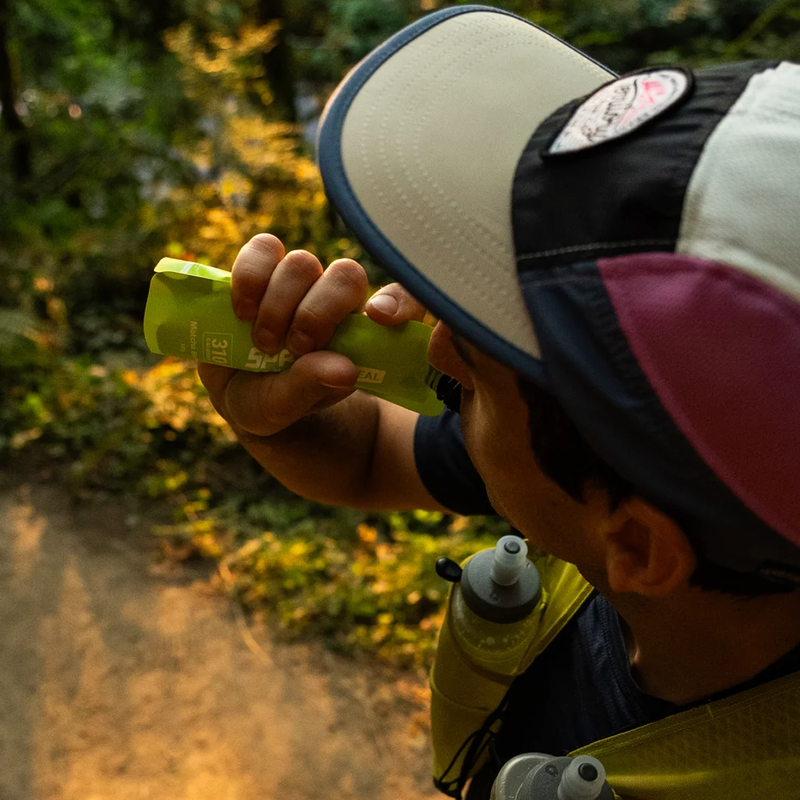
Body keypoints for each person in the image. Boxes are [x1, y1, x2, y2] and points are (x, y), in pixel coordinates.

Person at [198, 6, 800, 799]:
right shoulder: (642, 491)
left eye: (483, 365)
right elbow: (376, 453)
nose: (438, 342)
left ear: (640, 549)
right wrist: (285, 410)